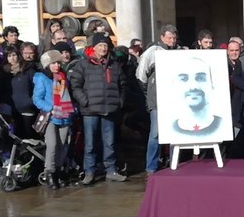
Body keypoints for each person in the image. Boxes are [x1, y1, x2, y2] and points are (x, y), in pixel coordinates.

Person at [69, 33, 127, 185]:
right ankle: (89, 172)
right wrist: (84, 101)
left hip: (109, 109)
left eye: (105, 45)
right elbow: (75, 85)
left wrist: (119, 101)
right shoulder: (83, 64)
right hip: (90, 110)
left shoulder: (114, 65)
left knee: (110, 142)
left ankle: (111, 170)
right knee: (90, 143)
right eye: (100, 45)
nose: (103, 48)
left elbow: (122, 84)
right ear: (93, 48)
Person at [136, 24, 178, 175]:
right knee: (155, 134)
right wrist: (150, 94)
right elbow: (141, 76)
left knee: (175, 133)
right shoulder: (152, 52)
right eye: (169, 37)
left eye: (173, 37)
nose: (172, 40)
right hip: (157, 101)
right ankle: (151, 167)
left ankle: (174, 163)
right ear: (162, 37)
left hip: (175, 101)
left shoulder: (179, 52)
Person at [32, 51, 75, 189]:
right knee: (52, 145)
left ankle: (58, 170)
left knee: (63, 145)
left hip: (65, 115)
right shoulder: (42, 78)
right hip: (51, 116)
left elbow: (67, 95)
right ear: (47, 64)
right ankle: (49, 172)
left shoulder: (63, 76)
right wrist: (50, 108)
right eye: (53, 63)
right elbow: (37, 98)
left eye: (58, 63)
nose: (56, 65)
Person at [171, 56, 222, 137]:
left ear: (212, 85)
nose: (193, 86)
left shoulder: (222, 126)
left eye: (200, 78)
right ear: (173, 86)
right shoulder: (170, 130)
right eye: (184, 79)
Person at [0, 46, 38, 139]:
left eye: (14, 55)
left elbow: (36, 88)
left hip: (26, 109)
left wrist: (30, 101)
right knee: (15, 139)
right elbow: (1, 92)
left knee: (29, 137)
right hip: (10, 111)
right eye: (9, 56)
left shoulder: (28, 70)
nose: (12, 58)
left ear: (18, 56)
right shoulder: (3, 73)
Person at [226, 39, 244, 133]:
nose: (234, 53)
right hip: (229, 103)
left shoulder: (241, 63)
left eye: (236, 50)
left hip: (242, 102)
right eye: (231, 50)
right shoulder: (224, 64)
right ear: (228, 51)